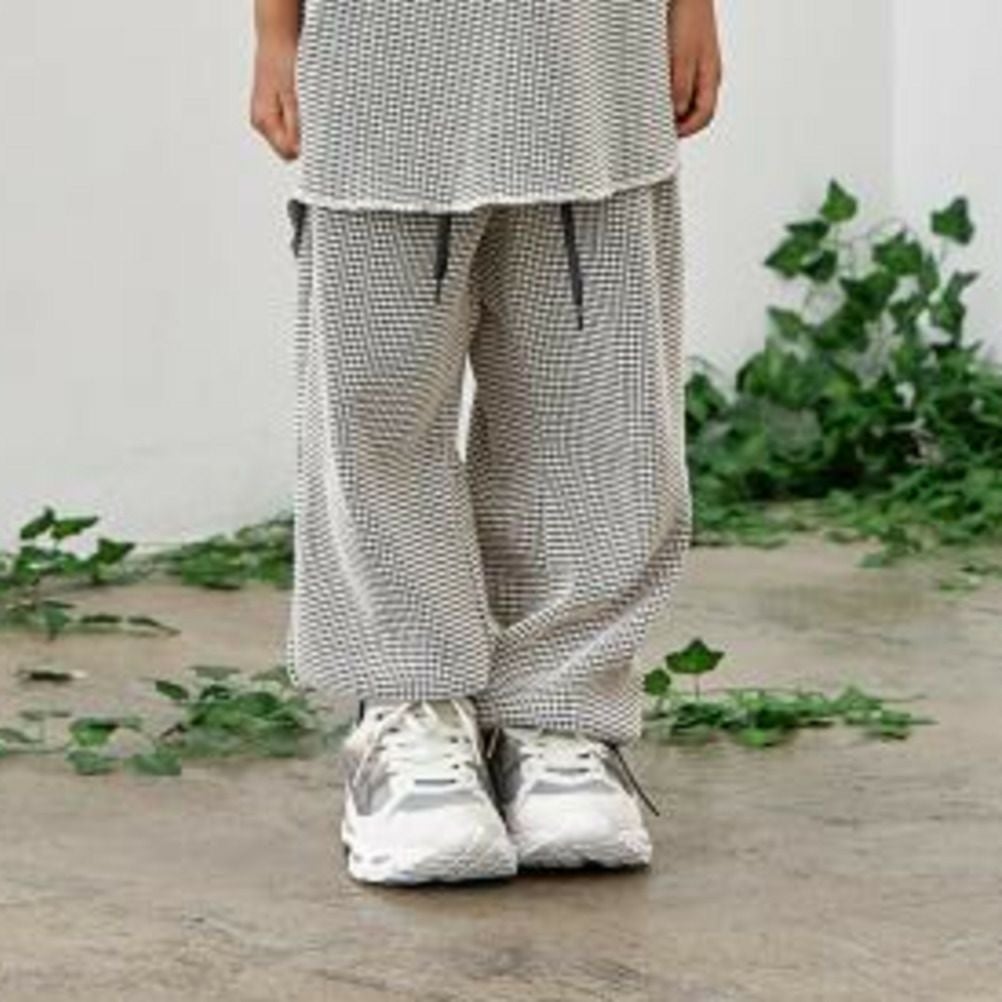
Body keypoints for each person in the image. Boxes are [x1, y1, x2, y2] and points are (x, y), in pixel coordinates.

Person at [251, 0, 722, 885]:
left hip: (596, 48)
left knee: (597, 395)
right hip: (380, 55)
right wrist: (275, 33)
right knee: (379, 402)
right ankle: (408, 705)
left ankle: (561, 710)